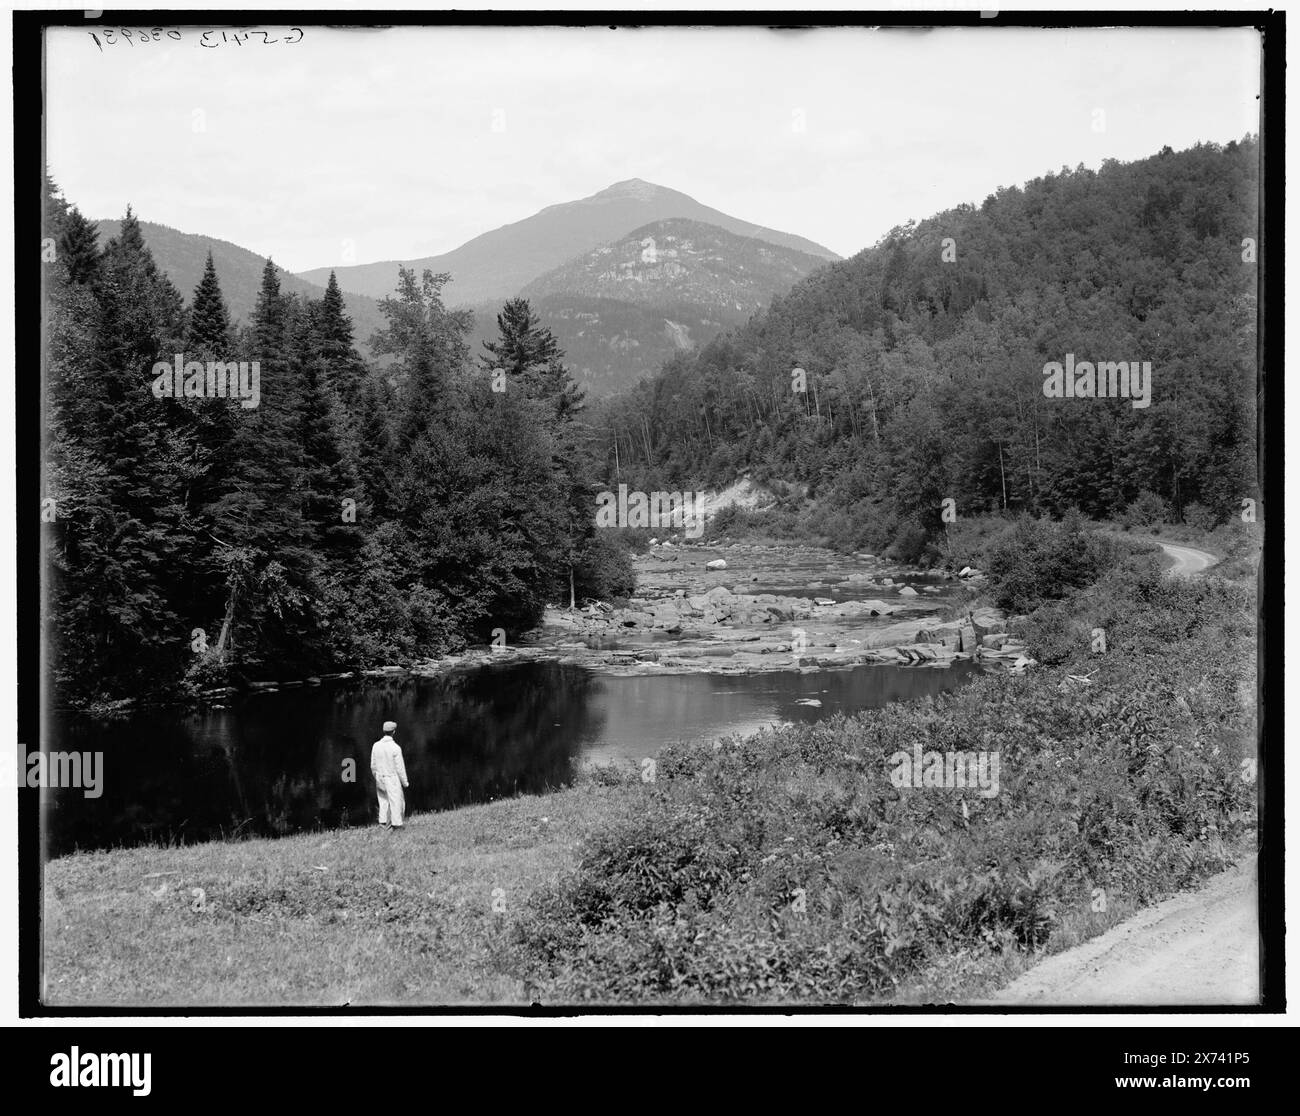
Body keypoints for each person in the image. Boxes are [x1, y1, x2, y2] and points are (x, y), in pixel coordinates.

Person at [370, 721, 409, 831]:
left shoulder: (376, 745)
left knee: (383, 800)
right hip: (392, 777)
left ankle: (383, 823)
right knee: (396, 801)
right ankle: (396, 825)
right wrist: (405, 782)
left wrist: (376, 776)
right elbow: (400, 768)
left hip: (380, 776)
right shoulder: (395, 748)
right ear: (394, 732)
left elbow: (373, 765)